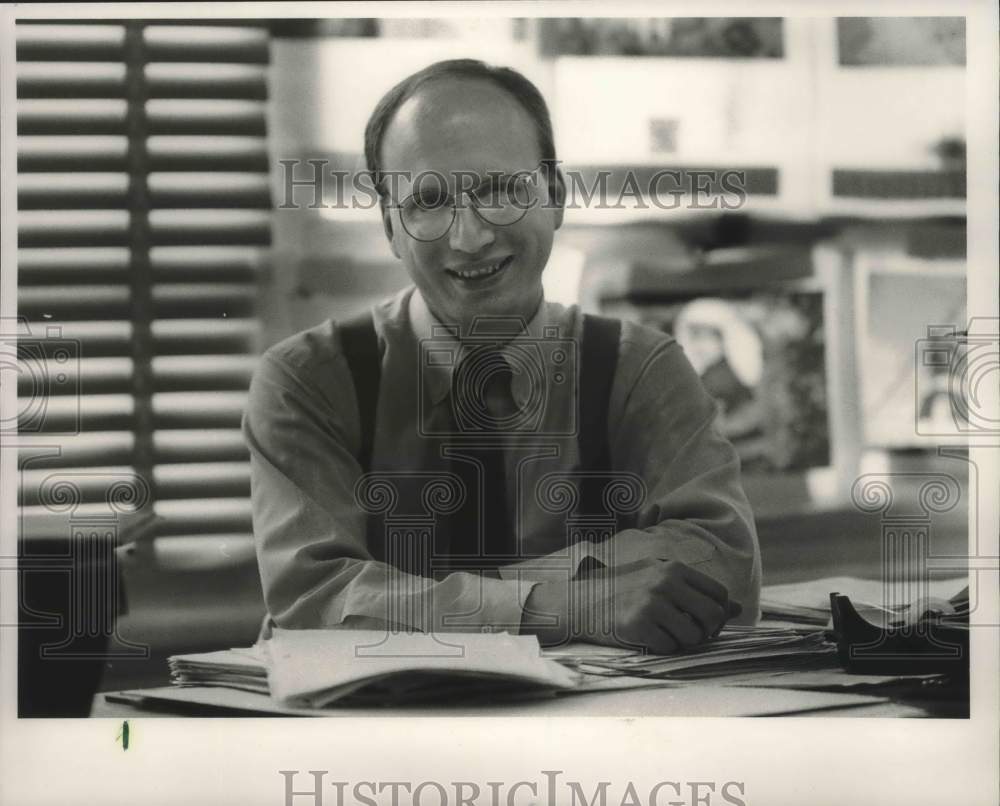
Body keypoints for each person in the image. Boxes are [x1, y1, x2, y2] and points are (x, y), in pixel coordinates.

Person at [243, 59, 761, 655]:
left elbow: (724, 562)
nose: (470, 237)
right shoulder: (307, 383)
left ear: (556, 196)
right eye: (429, 203)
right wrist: (565, 604)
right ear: (390, 226)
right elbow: (312, 601)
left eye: (500, 190)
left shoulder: (639, 369)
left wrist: (431, 599)